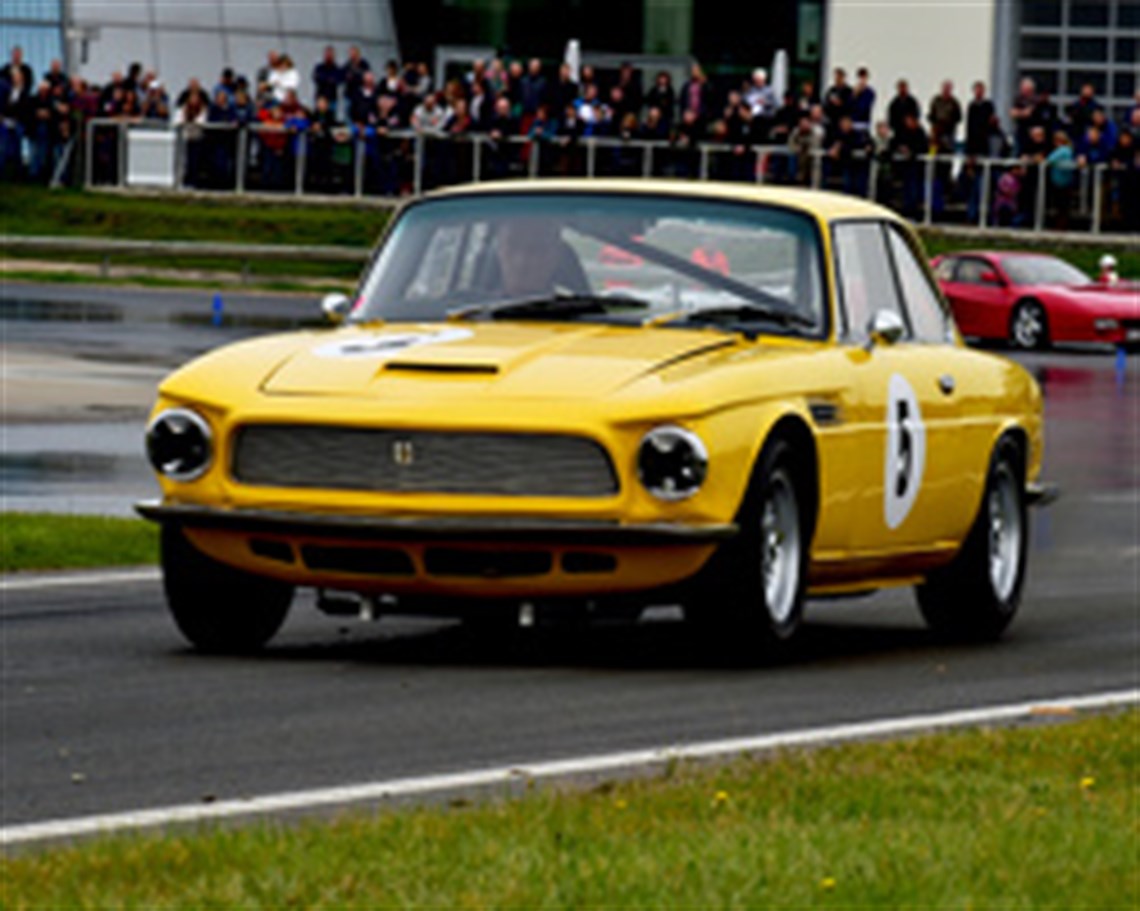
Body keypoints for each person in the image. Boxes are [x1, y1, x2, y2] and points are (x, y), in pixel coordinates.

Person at [493, 218, 588, 297]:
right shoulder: (479, 313)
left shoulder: (583, 315)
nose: (521, 262)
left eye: (536, 248)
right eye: (512, 245)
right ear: (499, 250)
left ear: (556, 255)